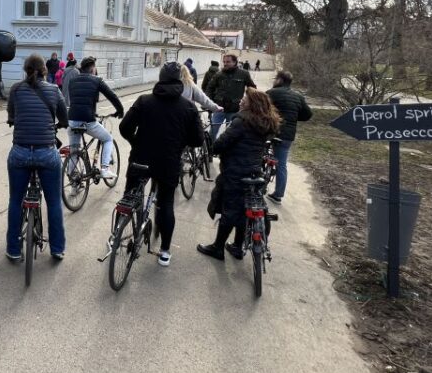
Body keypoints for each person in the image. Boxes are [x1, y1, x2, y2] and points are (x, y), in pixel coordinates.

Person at [120, 62, 204, 266]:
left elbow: (124, 127)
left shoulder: (144, 100)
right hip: (168, 161)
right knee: (166, 203)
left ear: (160, 77)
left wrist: (135, 142)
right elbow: (198, 140)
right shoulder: (188, 107)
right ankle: (165, 251)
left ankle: (117, 236)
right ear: (180, 81)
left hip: (140, 158)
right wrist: (180, 144)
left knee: (130, 196)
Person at [197, 88, 281, 261]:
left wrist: (214, 148)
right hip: (254, 171)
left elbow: (222, 142)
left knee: (229, 210)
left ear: (253, 103)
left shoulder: (241, 121)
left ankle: (218, 248)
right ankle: (237, 246)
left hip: (235, 171)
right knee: (245, 208)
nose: (241, 101)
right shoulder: (266, 122)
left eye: (245, 99)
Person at [5, 54, 68, 260]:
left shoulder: (15, 89)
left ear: (25, 70)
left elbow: (11, 116)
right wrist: (60, 124)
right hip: (47, 153)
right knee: (54, 202)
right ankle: (57, 249)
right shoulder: (54, 90)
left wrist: (15, 120)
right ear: (44, 70)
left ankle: (13, 250)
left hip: (20, 152)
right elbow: (64, 118)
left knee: (15, 200)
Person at [67, 56, 125, 179]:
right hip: (87, 121)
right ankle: (105, 168)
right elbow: (112, 96)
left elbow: (76, 100)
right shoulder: (97, 80)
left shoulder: (73, 81)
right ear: (93, 68)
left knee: (74, 151)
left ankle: (72, 177)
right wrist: (120, 111)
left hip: (72, 120)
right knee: (108, 139)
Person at [266, 70, 313, 205]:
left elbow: (260, 108)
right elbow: (308, 115)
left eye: (275, 78)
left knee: (257, 153)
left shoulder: (271, 93)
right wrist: (293, 117)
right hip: (288, 135)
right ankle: (278, 195)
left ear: (280, 80)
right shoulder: (298, 96)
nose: (274, 81)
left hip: (271, 131)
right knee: (281, 164)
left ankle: (256, 185)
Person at [206, 53, 257, 140]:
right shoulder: (219, 74)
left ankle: (227, 152)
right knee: (213, 131)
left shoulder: (244, 74)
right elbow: (209, 88)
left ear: (235, 62)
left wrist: (248, 102)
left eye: (228, 62)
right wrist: (210, 103)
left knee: (231, 134)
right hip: (219, 108)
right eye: (224, 62)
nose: (225, 64)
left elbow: (252, 88)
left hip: (235, 109)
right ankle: (210, 151)